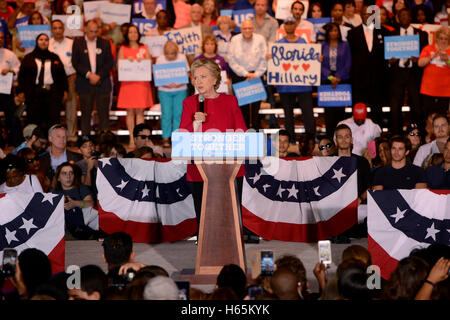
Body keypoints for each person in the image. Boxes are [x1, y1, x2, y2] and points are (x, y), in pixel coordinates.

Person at [178, 58, 247, 236]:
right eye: (195, 77)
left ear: (215, 79)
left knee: (229, 217)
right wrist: (195, 124)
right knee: (204, 219)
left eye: (203, 76)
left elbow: (242, 131)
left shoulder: (231, 101)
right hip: (199, 170)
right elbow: (182, 139)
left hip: (229, 168)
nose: (198, 81)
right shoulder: (189, 103)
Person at [347, 4, 389, 126]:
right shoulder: (352, 33)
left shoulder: (384, 32)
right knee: (359, 111)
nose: (368, 16)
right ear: (361, 15)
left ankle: (377, 139)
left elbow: (388, 54)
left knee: (377, 111)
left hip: (378, 79)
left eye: (371, 13)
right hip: (359, 79)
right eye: (365, 13)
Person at [388, 8, 429, 134]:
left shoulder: (421, 35)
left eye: (407, 15)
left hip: (414, 74)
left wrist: (419, 59)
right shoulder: (391, 35)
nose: (404, 17)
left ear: (411, 17)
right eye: (402, 15)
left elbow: (425, 54)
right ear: (398, 18)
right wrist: (390, 61)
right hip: (397, 74)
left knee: (416, 108)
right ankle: (396, 135)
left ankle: (416, 135)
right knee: (395, 109)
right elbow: (386, 58)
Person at [274, 16, 315, 138]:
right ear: (284, 26)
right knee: (288, 116)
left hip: (303, 85)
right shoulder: (278, 44)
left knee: (308, 114)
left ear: (295, 26)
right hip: (286, 86)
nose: (289, 26)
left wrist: (316, 59)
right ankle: (290, 141)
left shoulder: (303, 41)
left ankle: (310, 141)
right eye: (287, 24)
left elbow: (310, 60)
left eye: (291, 23)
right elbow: (276, 65)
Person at [72, 19, 114, 138]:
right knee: (86, 113)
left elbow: (109, 62)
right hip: (85, 82)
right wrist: (89, 75)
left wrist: (98, 75)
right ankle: (85, 139)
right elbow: (75, 62)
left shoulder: (105, 43)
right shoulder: (78, 43)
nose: (94, 34)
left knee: (103, 114)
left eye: (96, 31)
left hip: (102, 82)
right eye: (91, 31)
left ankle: (104, 140)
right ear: (85, 29)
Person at [17, 33, 68, 132]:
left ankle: (52, 144)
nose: (43, 42)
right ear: (37, 42)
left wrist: (65, 90)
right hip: (34, 93)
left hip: (52, 94)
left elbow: (62, 76)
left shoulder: (54, 57)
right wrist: (20, 91)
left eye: (46, 40)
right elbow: (22, 76)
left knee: (53, 120)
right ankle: (33, 144)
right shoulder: (28, 58)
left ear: (49, 42)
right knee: (33, 120)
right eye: (41, 39)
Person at [117, 24, 153, 148]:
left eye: (135, 32)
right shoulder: (123, 48)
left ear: (138, 34)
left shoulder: (144, 48)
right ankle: (132, 139)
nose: (133, 34)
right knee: (130, 112)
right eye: (130, 32)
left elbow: (149, 64)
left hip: (141, 84)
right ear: (127, 34)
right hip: (128, 84)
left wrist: (141, 62)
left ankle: (141, 140)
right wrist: (128, 62)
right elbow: (118, 67)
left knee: (140, 113)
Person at [228, 19, 267, 130]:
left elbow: (264, 59)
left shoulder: (260, 39)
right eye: (245, 28)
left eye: (249, 28)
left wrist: (256, 74)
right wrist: (245, 73)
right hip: (239, 76)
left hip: (256, 75)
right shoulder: (235, 40)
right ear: (241, 29)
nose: (247, 30)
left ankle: (255, 132)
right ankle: (243, 131)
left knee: (256, 108)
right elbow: (231, 60)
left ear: (253, 29)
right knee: (242, 108)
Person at [51, 162, 98, 239]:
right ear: (58, 178)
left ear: (74, 176)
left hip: (85, 228)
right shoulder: (53, 193)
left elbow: (91, 203)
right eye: (64, 173)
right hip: (62, 231)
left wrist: (75, 203)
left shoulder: (82, 188)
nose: (68, 176)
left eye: (71, 173)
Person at [49, 19, 78, 146]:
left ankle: (72, 137)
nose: (57, 30)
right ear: (51, 30)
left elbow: (77, 61)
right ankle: (54, 137)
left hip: (70, 77)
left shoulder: (72, 43)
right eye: (54, 28)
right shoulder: (47, 43)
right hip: (53, 79)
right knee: (53, 109)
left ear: (63, 29)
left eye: (60, 28)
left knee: (71, 108)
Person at [156, 41, 189, 148]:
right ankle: (165, 137)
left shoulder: (182, 57)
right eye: (168, 54)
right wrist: (166, 85)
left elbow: (187, 72)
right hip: (164, 91)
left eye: (172, 54)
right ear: (164, 53)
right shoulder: (160, 59)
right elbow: (157, 76)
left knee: (178, 114)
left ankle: (176, 138)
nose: (170, 56)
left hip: (180, 89)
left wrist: (180, 83)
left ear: (176, 53)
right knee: (166, 114)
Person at [321, 22, 352, 135]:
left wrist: (337, 77)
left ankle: (341, 138)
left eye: (335, 30)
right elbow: (320, 65)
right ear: (327, 33)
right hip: (327, 81)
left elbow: (348, 63)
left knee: (340, 114)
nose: (333, 33)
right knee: (329, 114)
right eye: (331, 30)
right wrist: (331, 77)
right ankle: (330, 139)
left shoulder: (345, 45)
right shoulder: (322, 46)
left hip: (342, 81)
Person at [334, 124, 371, 202]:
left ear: (351, 139)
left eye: (347, 137)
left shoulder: (362, 162)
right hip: (334, 209)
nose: (344, 140)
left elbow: (369, 186)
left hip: (358, 208)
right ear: (335, 140)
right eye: (340, 137)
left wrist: (360, 199)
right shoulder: (327, 161)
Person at [418, 26, 450, 116]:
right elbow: (420, 63)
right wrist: (431, 57)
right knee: (428, 116)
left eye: (446, 39)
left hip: (445, 91)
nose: (443, 41)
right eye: (441, 38)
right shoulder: (428, 49)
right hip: (428, 90)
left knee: (442, 116)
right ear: (437, 38)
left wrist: (447, 60)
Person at [0, 29, 22, 148]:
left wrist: (11, 71)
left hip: (6, 91)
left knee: (13, 117)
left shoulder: (10, 54)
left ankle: (16, 144)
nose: (0, 40)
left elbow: (19, 69)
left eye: (2, 37)